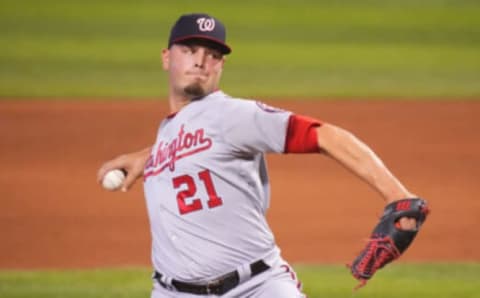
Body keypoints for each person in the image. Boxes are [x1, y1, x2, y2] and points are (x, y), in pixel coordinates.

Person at [97, 13, 420, 297]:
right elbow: (201, 141)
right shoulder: (168, 131)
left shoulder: (234, 114)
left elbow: (325, 134)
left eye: (212, 55)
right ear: (167, 58)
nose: (199, 61)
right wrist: (149, 155)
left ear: (221, 65)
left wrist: (400, 198)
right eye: (189, 51)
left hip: (255, 287)